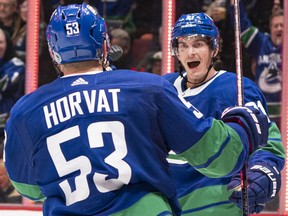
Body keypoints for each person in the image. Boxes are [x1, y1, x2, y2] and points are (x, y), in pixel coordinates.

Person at [3, 3, 269, 216]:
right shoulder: (148, 89)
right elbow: (219, 158)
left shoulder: (25, 111)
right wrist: (240, 129)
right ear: (104, 43)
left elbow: (29, 188)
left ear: (52, 51)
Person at [164, 12, 285, 215]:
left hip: (217, 206)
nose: (190, 53)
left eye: (198, 44)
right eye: (183, 45)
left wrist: (262, 170)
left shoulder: (235, 89)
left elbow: (265, 140)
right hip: (169, 205)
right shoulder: (164, 88)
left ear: (214, 48)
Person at [229, 0, 283, 128]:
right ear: (270, 28)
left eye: (282, 25)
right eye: (276, 26)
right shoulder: (261, 42)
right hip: (264, 112)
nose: (279, 28)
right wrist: (234, 4)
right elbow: (241, 26)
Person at [0, 27, 25, 139]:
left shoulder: (16, 65)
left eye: (0, 42)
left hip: (10, 129)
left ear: (7, 44)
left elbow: (3, 84)